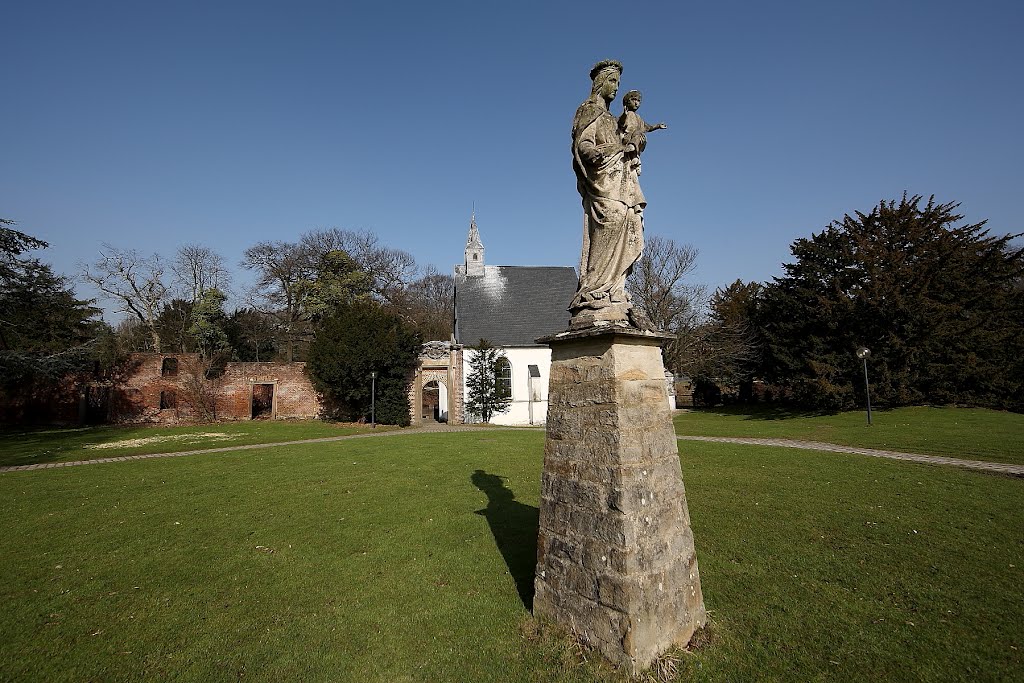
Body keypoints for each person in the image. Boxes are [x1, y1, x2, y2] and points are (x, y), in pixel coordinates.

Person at [569, 60, 648, 328]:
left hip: (621, 183)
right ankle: (594, 288)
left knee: (630, 223)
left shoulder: (615, 119)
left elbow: (629, 140)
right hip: (603, 182)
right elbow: (584, 146)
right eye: (612, 81)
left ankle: (615, 290)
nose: (616, 88)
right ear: (600, 82)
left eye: (618, 83)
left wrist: (635, 142)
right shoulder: (588, 110)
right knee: (611, 221)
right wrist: (604, 153)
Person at [618, 90, 667, 175]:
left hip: (638, 140)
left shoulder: (639, 118)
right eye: (634, 100)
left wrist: (658, 126)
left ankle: (634, 152)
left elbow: (648, 127)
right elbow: (620, 123)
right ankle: (634, 157)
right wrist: (624, 115)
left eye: (638, 101)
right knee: (637, 134)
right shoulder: (627, 114)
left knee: (639, 133)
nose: (636, 103)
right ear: (627, 101)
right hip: (627, 138)